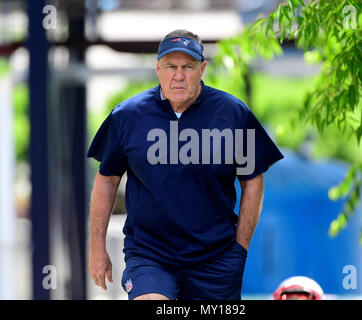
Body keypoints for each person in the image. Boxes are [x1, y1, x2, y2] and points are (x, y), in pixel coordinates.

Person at [87, 29, 284, 300]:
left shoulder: (233, 115)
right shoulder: (128, 117)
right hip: (150, 255)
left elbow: (253, 180)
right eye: (171, 66)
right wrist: (97, 246)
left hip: (215, 259)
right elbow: (107, 179)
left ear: (202, 68)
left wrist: (240, 247)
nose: (178, 76)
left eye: (187, 67)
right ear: (158, 68)